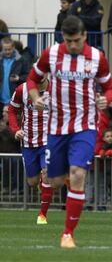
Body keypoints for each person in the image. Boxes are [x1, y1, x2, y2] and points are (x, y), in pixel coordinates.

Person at [27, 15, 112, 248]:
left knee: (78, 175)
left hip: (84, 126)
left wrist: (106, 100)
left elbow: (109, 87)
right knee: (55, 182)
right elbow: (32, 79)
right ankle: (64, 173)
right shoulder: (51, 54)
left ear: (84, 36)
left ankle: (68, 233)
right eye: (68, 40)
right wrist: (35, 97)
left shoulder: (97, 57)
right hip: (56, 127)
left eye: (76, 40)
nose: (73, 45)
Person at [8, 75, 52, 224]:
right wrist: (15, 130)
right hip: (28, 142)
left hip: (48, 141)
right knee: (32, 181)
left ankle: (42, 215)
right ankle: (41, 183)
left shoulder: (55, 89)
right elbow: (12, 111)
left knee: (47, 174)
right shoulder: (23, 89)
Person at [0, 37, 29, 120]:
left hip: (15, 99)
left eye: (9, 49)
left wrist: (19, 78)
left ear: (13, 48)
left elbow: (28, 76)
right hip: (1, 100)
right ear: (2, 48)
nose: (7, 52)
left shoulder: (21, 60)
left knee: (13, 126)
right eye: (5, 49)